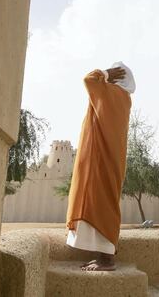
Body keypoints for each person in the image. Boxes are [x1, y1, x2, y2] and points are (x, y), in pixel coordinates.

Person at [65, 61, 135, 271]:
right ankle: (102, 256)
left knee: (98, 201)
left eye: (115, 74)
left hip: (100, 158)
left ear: (118, 77)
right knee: (101, 201)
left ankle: (106, 260)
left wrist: (104, 73)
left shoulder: (110, 93)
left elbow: (89, 79)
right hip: (109, 157)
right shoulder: (124, 99)